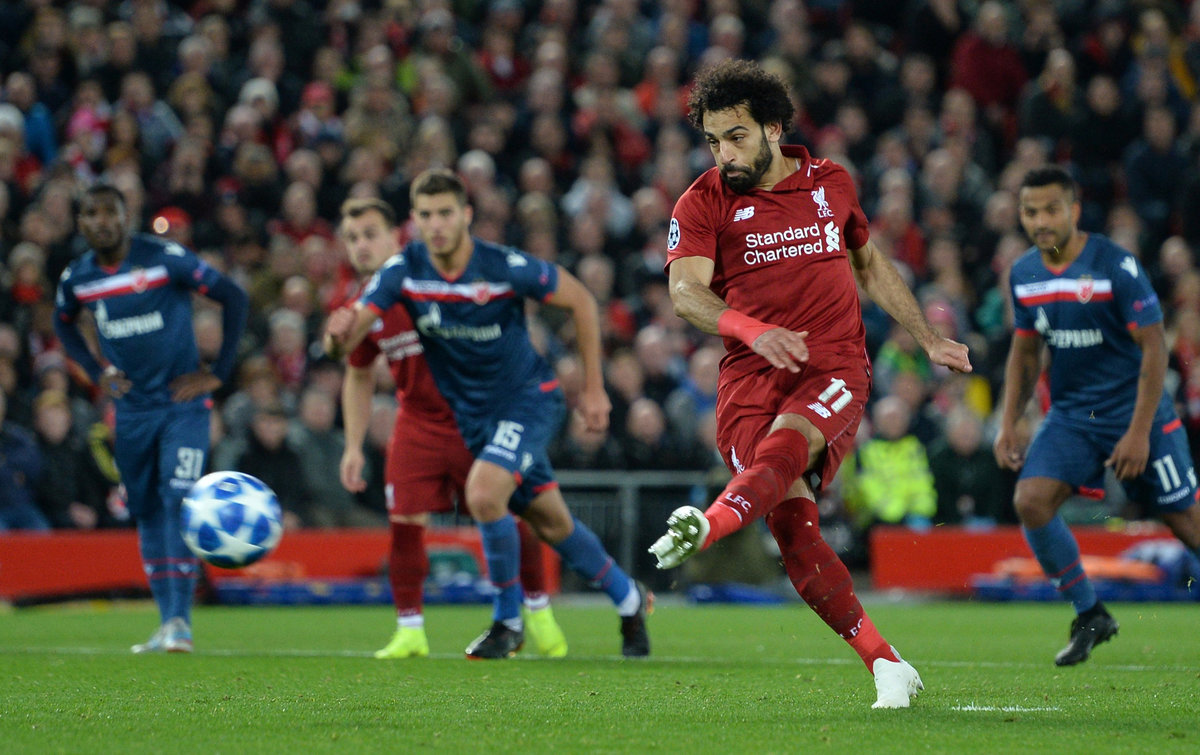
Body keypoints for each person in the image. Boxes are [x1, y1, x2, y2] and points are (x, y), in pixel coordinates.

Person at [646, 60, 971, 708]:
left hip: (833, 366)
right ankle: (886, 662)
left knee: (788, 444)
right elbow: (685, 291)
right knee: (794, 528)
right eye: (712, 141)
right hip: (748, 380)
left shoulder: (831, 183)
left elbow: (869, 265)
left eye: (735, 137)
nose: (722, 154)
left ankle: (709, 525)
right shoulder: (702, 201)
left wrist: (927, 336)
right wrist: (751, 328)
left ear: (773, 128)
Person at [326, 169, 651, 659]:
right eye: (427, 215)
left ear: (466, 215)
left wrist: (593, 389)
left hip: (527, 401)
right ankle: (629, 599)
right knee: (551, 522)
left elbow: (582, 301)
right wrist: (337, 336)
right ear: (414, 221)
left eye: (446, 213)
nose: (437, 225)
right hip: (474, 418)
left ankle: (508, 622)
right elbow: (351, 341)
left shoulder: (502, 266)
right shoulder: (403, 271)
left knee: (482, 493)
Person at [327, 197, 568, 659]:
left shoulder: (429, 280)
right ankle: (409, 630)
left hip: (477, 419)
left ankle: (538, 609)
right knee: (404, 523)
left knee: (516, 513)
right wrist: (353, 445)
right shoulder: (362, 307)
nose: (361, 246)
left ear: (397, 235)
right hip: (417, 423)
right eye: (352, 238)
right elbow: (357, 372)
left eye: (370, 234)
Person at [994, 165, 1200, 666]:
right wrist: (1008, 421)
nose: (1040, 221)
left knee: (1187, 523)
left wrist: (1138, 433)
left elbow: (1155, 349)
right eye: (1030, 212)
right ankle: (1091, 614)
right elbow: (1026, 351)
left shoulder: (1115, 265)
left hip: (1137, 412)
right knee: (1031, 501)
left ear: (1074, 210)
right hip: (1073, 415)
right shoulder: (1024, 274)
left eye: (1051, 209)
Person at [53, 184, 249, 653]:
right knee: (145, 509)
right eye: (92, 213)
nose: (102, 221)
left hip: (182, 405)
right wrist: (97, 372)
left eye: (110, 212)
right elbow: (63, 322)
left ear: (127, 216)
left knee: (178, 497)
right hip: (132, 412)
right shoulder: (78, 277)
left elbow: (233, 297)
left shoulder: (164, 258)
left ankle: (181, 622)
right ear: (81, 223)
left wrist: (218, 373)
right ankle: (167, 621)